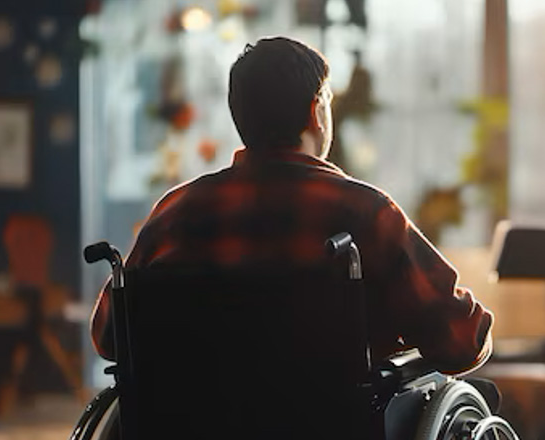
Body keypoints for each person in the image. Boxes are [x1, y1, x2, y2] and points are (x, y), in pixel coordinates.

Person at [89, 36, 493, 434]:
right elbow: (460, 341)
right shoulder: (365, 213)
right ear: (316, 112)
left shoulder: (174, 213)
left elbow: (110, 338)